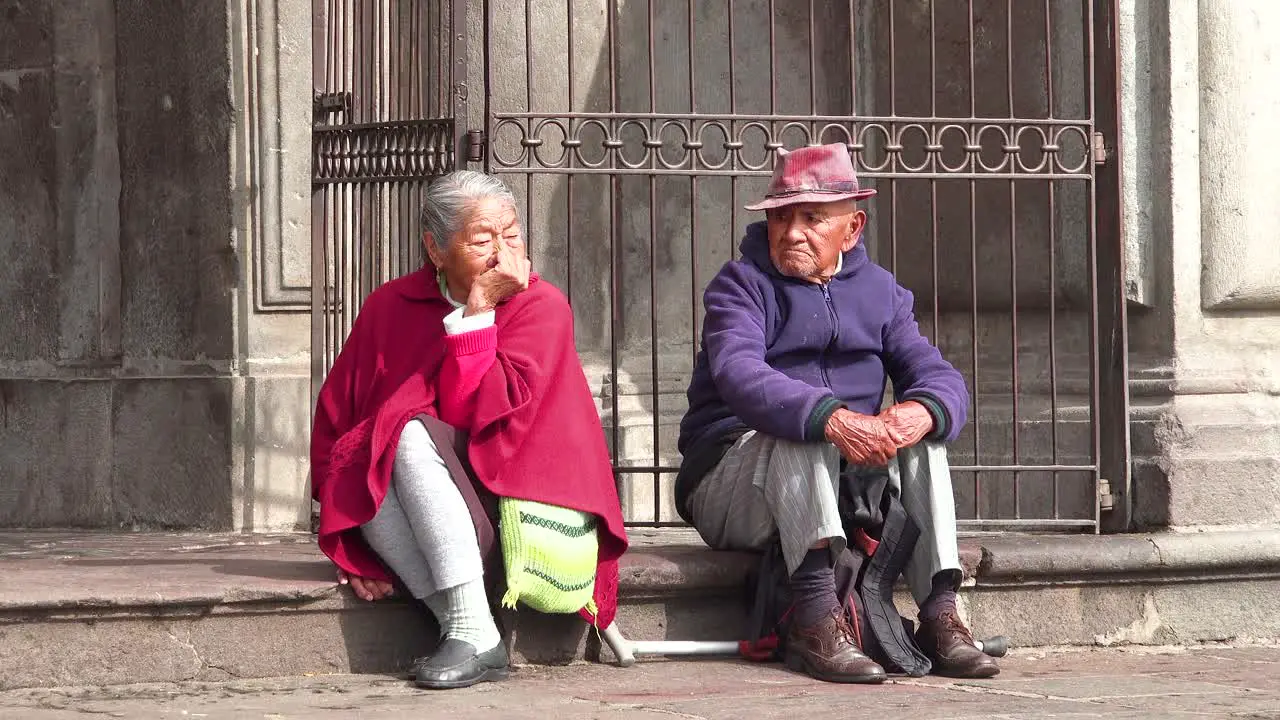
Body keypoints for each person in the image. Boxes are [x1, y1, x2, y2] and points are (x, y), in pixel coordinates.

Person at [675, 143, 998, 683]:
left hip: (843, 482)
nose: (792, 232)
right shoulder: (739, 286)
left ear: (851, 229)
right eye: (781, 216)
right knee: (802, 428)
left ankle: (942, 614)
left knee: (923, 435)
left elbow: (939, 376)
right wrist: (832, 417)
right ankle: (816, 618)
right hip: (729, 485)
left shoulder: (883, 293)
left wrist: (922, 411)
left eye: (811, 218)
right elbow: (739, 373)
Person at [310, 170, 628, 690]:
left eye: (513, 235)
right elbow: (337, 420)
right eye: (483, 240)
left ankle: (470, 627)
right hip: (433, 524)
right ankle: (469, 627)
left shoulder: (541, 307)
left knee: (408, 434)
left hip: (516, 511)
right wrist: (348, 537)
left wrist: (478, 312)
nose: (502, 254)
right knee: (363, 452)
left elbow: (476, 418)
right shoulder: (391, 306)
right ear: (435, 249)